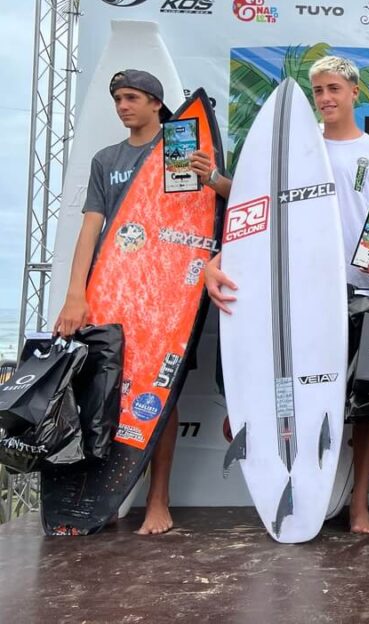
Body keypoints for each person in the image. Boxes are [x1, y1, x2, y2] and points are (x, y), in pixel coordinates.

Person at [205, 55, 369, 535]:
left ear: (354, 92)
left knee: (366, 405)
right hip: (297, 295)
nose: (326, 98)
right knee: (288, 392)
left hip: (360, 291)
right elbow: (254, 214)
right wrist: (217, 259)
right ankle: (285, 482)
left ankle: (359, 503)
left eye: (334, 88)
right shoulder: (295, 150)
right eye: (318, 91)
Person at [53, 69, 230, 536]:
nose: (122, 106)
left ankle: (157, 499)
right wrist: (76, 294)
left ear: (156, 103)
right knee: (103, 392)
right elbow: (91, 228)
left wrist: (210, 178)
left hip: (169, 295)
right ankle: (109, 496)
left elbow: (204, 218)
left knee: (160, 394)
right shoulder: (105, 159)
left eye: (131, 98)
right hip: (111, 290)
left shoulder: (179, 150)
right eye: (116, 99)